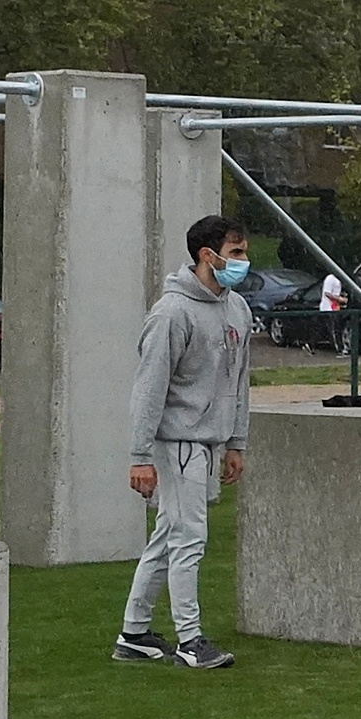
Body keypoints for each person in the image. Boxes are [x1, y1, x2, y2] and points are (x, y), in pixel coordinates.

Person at [115, 214, 254, 670]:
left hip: (209, 441)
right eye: (235, 253)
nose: (243, 261)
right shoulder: (171, 313)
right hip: (176, 441)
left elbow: (239, 380)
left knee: (168, 536)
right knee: (189, 538)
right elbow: (149, 388)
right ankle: (190, 640)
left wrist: (236, 442)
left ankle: (134, 633)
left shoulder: (238, 309)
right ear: (207, 255)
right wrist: (140, 456)